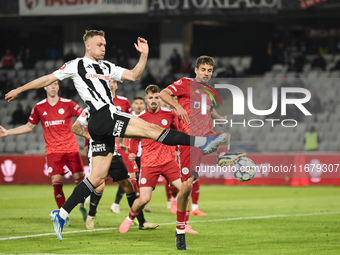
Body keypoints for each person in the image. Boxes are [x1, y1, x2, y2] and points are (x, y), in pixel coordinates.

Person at [4, 30, 226, 242]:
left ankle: (61, 214)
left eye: (105, 45)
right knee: (154, 132)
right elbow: (47, 78)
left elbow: (134, 74)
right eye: (99, 45)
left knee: (97, 177)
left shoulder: (106, 66)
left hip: (101, 126)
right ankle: (202, 142)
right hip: (103, 116)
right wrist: (20, 89)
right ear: (87, 45)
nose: (103, 48)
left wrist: (144, 55)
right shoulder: (76, 65)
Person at [160, 55, 246, 250]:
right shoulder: (184, 83)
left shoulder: (210, 91)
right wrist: (178, 107)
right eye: (203, 70)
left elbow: (210, 109)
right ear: (196, 70)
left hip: (206, 134)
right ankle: (180, 230)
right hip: (189, 140)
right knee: (186, 188)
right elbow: (164, 93)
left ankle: (222, 157)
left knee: (225, 136)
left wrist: (218, 117)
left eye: (209, 71)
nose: (206, 73)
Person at [0, 81, 87, 226]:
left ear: (59, 87)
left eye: (56, 84)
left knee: (81, 183)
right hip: (53, 152)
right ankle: (63, 215)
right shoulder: (39, 107)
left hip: (71, 149)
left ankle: (83, 206)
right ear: (45, 87)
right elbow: (29, 127)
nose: (53, 87)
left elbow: (84, 115)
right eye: (50, 84)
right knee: (57, 185)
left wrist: (87, 131)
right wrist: (8, 132)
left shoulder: (69, 104)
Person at [119, 84, 198, 235]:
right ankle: (129, 218)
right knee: (144, 199)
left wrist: (176, 150)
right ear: (146, 99)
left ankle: (184, 224)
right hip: (149, 164)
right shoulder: (139, 118)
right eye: (151, 98)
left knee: (185, 189)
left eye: (156, 97)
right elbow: (135, 138)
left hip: (168, 161)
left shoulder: (169, 115)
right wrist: (133, 153)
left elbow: (177, 132)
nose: (154, 100)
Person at [72, 108, 159, 231]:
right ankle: (91, 214)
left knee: (128, 186)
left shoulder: (114, 109)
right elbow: (75, 128)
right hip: (96, 154)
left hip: (113, 154)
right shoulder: (88, 110)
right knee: (99, 186)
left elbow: (122, 128)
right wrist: (89, 136)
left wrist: (121, 141)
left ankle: (142, 222)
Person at [108, 79, 151, 214]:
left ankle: (141, 202)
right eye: (136, 103)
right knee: (130, 178)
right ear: (132, 105)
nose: (139, 106)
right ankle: (125, 206)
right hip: (128, 151)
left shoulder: (146, 117)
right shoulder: (130, 117)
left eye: (141, 103)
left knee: (136, 179)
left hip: (142, 152)